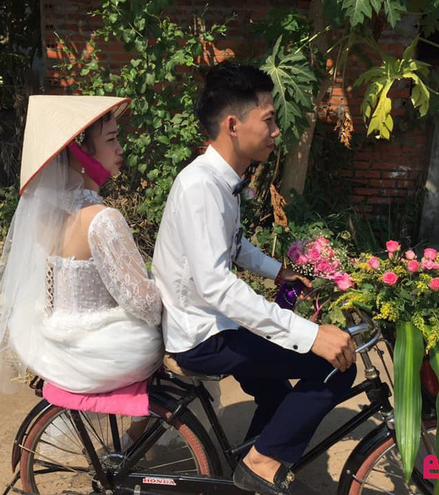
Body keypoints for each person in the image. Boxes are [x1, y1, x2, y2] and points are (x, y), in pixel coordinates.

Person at [152, 62, 357, 495]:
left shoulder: (219, 180)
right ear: (233, 125)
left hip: (213, 324)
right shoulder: (201, 188)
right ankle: (260, 465)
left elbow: (235, 243)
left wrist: (279, 270)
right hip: (204, 335)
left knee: (278, 395)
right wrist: (310, 334)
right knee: (336, 366)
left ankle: (249, 468)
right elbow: (216, 286)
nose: (276, 131)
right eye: (268, 119)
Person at [0, 95, 163, 397]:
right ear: (79, 150)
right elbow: (145, 306)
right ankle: (146, 424)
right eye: (111, 139)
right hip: (95, 356)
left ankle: (141, 426)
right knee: (178, 336)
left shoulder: (45, 217)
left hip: (49, 348)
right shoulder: (103, 220)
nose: (120, 149)